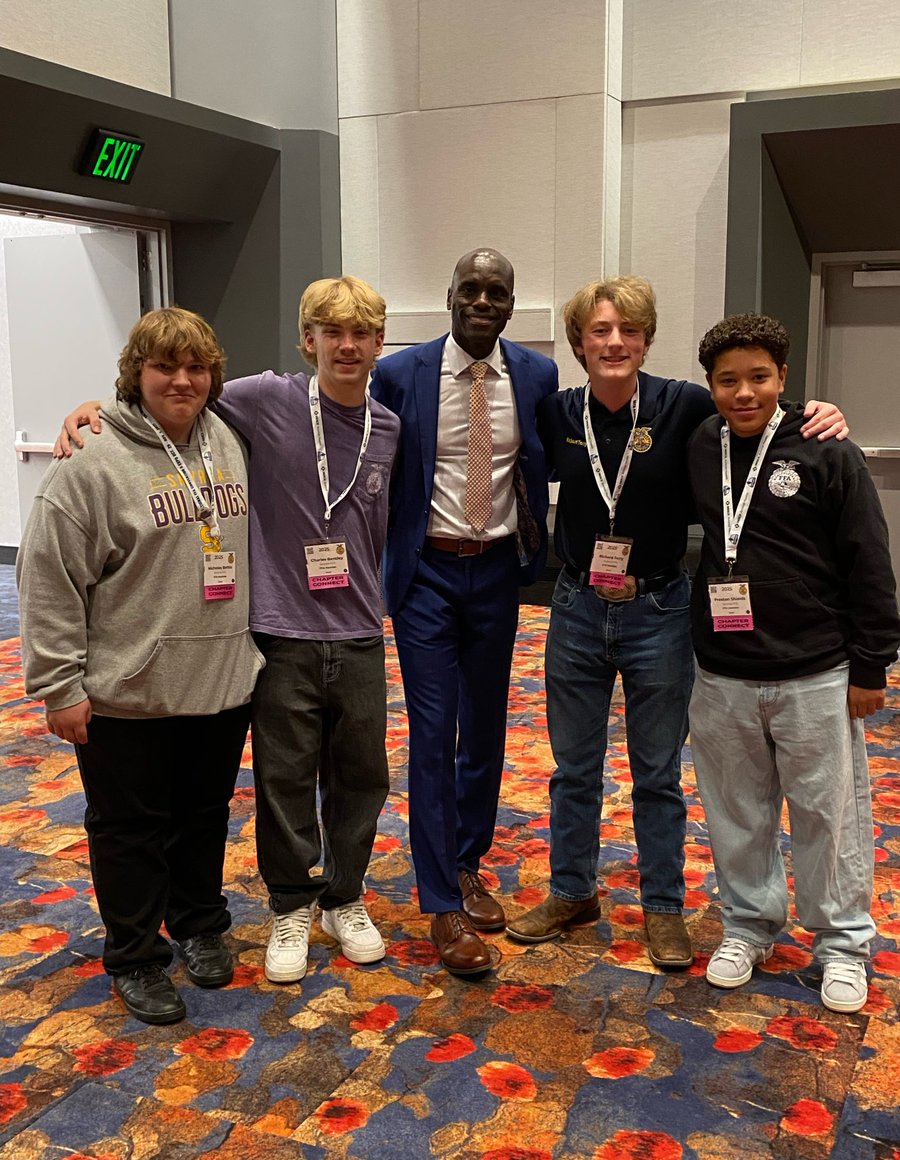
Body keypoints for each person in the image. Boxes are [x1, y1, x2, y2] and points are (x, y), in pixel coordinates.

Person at [56, 277, 401, 985]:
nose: (345, 344)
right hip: (276, 634)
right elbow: (158, 391)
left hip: (349, 632)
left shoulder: (387, 425)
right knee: (280, 782)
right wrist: (92, 406)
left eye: (360, 333)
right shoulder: (264, 399)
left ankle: (343, 897)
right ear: (307, 340)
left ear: (378, 344)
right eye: (330, 331)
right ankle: (289, 903)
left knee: (361, 778)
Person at [507, 277, 848, 969]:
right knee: (574, 769)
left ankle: (663, 906)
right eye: (599, 331)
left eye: (627, 329)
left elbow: (757, 417)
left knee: (657, 771)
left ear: (646, 339)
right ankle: (572, 890)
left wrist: (820, 410)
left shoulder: (686, 404)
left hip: (657, 608)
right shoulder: (555, 411)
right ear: (578, 343)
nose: (613, 342)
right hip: (574, 607)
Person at [18, 307, 263, 1024]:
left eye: (196, 367)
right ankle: (134, 954)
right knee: (129, 828)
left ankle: (198, 922)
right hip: (128, 688)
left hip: (218, 680)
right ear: (136, 374)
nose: (182, 380)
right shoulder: (90, 463)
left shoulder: (228, 438)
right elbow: (51, 579)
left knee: (203, 816)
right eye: (165, 367)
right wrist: (58, 685)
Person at [687, 312, 900, 1013]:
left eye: (758, 378)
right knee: (735, 811)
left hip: (817, 670)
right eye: (728, 380)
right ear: (711, 385)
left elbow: (870, 560)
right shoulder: (700, 444)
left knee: (827, 814)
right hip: (723, 670)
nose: (743, 393)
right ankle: (748, 925)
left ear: (783, 378)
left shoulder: (824, 449)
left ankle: (842, 944)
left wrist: (873, 665)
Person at [370, 248, 558, 974]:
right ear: (449, 296)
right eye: (470, 289)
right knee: (430, 731)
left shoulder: (536, 375)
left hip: (498, 574)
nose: (483, 300)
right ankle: (441, 902)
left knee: (485, 728)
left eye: (497, 291)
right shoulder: (400, 373)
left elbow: (548, 458)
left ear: (511, 305)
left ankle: (469, 860)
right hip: (427, 576)